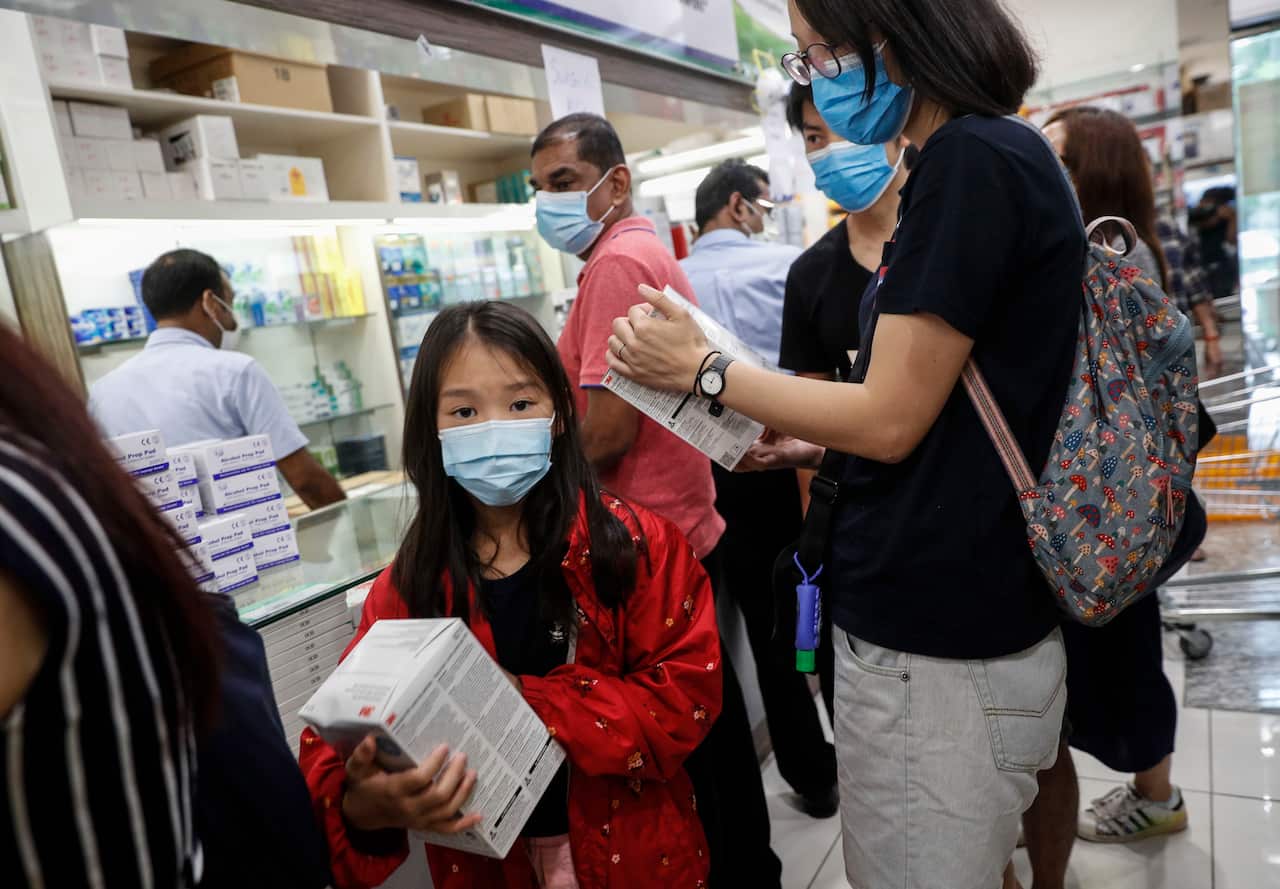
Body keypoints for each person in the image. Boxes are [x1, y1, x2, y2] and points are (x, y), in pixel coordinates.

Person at [604, 0, 1086, 885]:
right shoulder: (978, 157)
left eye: (814, 52)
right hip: (952, 619)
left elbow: (892, 417)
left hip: (940, 640)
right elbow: (940, 415)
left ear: (889, 37)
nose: (812, 75)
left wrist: (706, 370)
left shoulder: (970, 163)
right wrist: (809, 448)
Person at [298, 301, 721, 889]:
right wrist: (364, 802)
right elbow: (337, 740)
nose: (494, 428)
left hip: (637, 855)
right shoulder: (410, 585)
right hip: (485, 868)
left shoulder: (636, 547)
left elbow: (684, 704)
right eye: (465, 411)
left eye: (520, 403)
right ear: (433, 429)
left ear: (559, 416)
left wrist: (523, 698)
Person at [530, 113, 783, 886]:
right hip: (680, 524)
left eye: (565, 183)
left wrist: (529, 465)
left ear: (616, 182)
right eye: (539, 188)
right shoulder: (636, 252)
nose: (549, 201)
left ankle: (744, 871)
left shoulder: (616, 264)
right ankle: (752, 867)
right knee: (711, 722)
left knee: (691, 738)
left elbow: (605, 431)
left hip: (649, 540)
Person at [1014, 107, 1192, 887]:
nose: (1042, 168)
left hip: (1114, 509)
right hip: (1129, 507)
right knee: (1126, 656)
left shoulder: (1113, 257)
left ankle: (1157, 797)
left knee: (1125, 662)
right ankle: (1154, 789)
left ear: (1094, 172)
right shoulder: (1127, 249)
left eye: (1057, 157)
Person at [681, 159, 838, 818]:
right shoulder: (786, 266)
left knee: (709, 630)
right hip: (777, 458)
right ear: (741, 207)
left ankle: (767, 775)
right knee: (793, 621)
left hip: (694, 472)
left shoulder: (671, 280)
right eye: (764, 206)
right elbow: (815, 383)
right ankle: (824, 768)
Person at [89, 248, 346, 510]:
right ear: (210, 302)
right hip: (243, 545)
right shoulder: (236, 372)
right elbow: (304, 479)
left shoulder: (102, 391)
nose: (232, 317)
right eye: (230, 304)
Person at [780, 81, 910, 383]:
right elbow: (812, 403)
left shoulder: (957, 231)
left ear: (901, 126)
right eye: (815, 137)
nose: (834, 151)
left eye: (852, 127)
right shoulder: (808, 275)